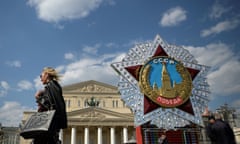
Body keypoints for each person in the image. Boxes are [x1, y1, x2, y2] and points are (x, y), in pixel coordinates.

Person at [33, 67, 67, 144]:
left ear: (47, 75)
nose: (41, 78)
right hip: (50, 125)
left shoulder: (52, 86)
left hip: (48, 125)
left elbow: (50, 106)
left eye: (41, 76)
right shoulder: (53, 86)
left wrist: (38, 98)